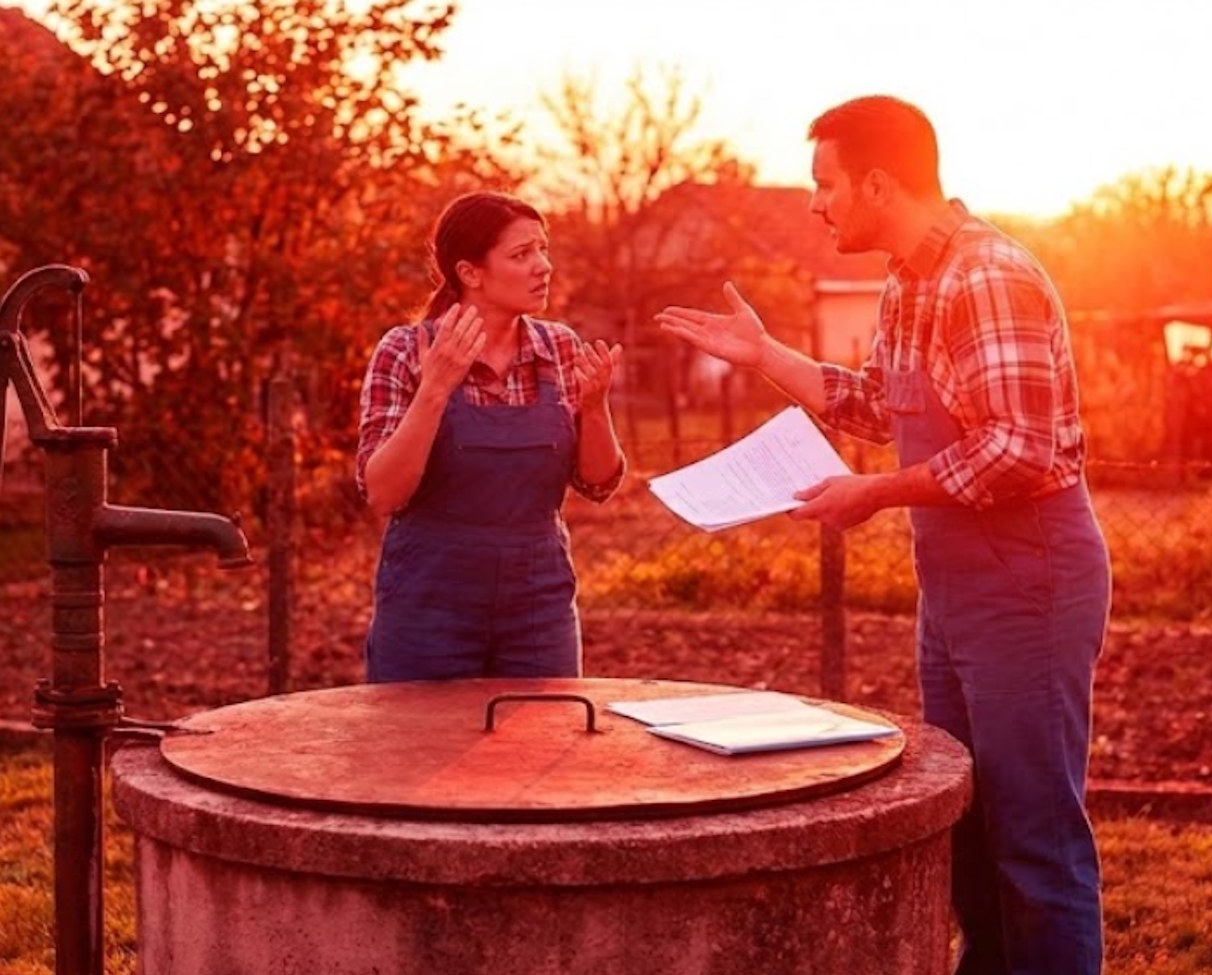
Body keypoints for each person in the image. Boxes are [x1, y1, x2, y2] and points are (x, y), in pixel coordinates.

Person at [656, 96, 1111, 975]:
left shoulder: (987, 276)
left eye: (825, 185)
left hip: (1029, 581)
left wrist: (877, 493)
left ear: (877, 181)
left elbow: (1019, 449)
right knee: (972, 829)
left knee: (1035, 836)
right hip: (956, 590)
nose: (816, 204)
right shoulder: (910, 277)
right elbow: (874, 403)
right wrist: (767, 358)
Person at [357, 190, 625, 682]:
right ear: (470, 273)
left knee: (540, 744)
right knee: (415, 749)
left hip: (537, 604)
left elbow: (599, 484)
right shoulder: (406, 351)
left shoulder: (559, 347)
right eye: (522, 254)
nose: (543, 266)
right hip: (429, 605)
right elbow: (384, 492)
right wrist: (435, 388)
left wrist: (595, 406)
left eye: (543, 249)